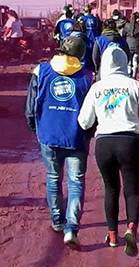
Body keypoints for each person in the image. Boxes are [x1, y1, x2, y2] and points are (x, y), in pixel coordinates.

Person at [78, 46, 139, 257]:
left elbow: (84, 122)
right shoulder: (134, 85)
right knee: (132, 190)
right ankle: (131, 229)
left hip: (104, 143)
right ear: (124, 62)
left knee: (111, 189)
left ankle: (112, 236)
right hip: (130, 142)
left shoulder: (97, 88)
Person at [25, 37, 93, 250]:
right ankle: (71, 228)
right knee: (76, 182)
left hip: (49, 135)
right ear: (80, 54)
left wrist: (37, 130)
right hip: (76, 137)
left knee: (53, 178)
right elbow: (92, 114)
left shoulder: (41, 71)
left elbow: (30, 108)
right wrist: (88, 134)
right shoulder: (87, 76)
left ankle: (57, 220)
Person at [124, 12, 139, 78]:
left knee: (129, 60)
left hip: (128, 45)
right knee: (136, 60)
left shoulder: (126, 25)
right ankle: (134, 75)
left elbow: (123, 34)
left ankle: (129, 73)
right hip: (137, 45)